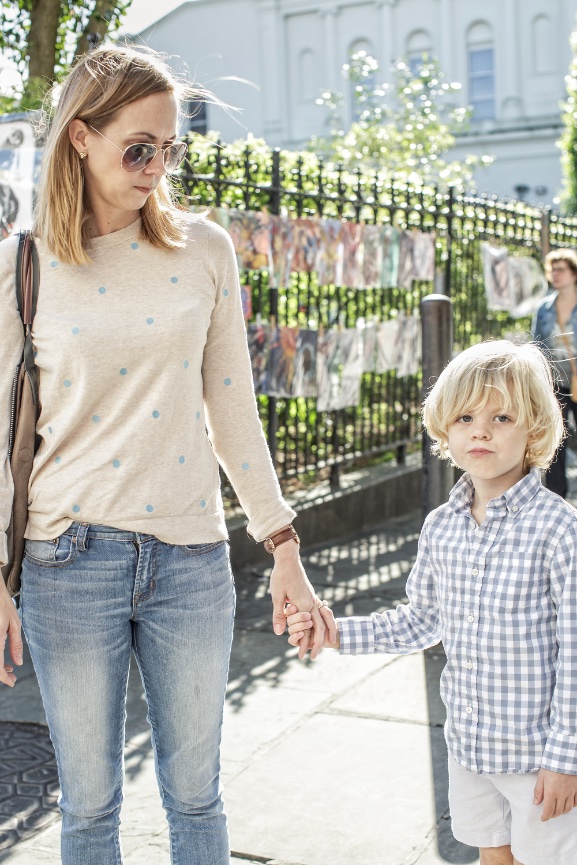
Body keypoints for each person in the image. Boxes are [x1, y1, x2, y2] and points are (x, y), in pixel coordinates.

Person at [0, 45, 333, 865]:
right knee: (89, 807)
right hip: (66, 558)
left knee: (195, 795)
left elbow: (231, 408)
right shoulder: (23, 262)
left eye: (169, 149)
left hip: (191, 560)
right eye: (137, 148)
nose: (157, 167)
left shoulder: (205, 250)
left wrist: (283, 545)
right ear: (79, 137)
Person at [286, 340, 577, 865]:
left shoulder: (558, 530)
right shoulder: (442, 527)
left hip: (539, 757)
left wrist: (567, 758)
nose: (480, 430)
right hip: (469, 746)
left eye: (502, 416)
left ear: (534, 429)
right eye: (465, 416)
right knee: (493, 854)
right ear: (446, 428)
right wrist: (333, 630)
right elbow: (421, 620)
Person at [532, 248, 577, 497]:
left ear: (573, 273)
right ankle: (557, 497)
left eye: (561, 269)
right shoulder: (545, 309)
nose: (555, 275)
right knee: (556, 441)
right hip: (555, 382)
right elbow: (538, 345)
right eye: (553, 270)